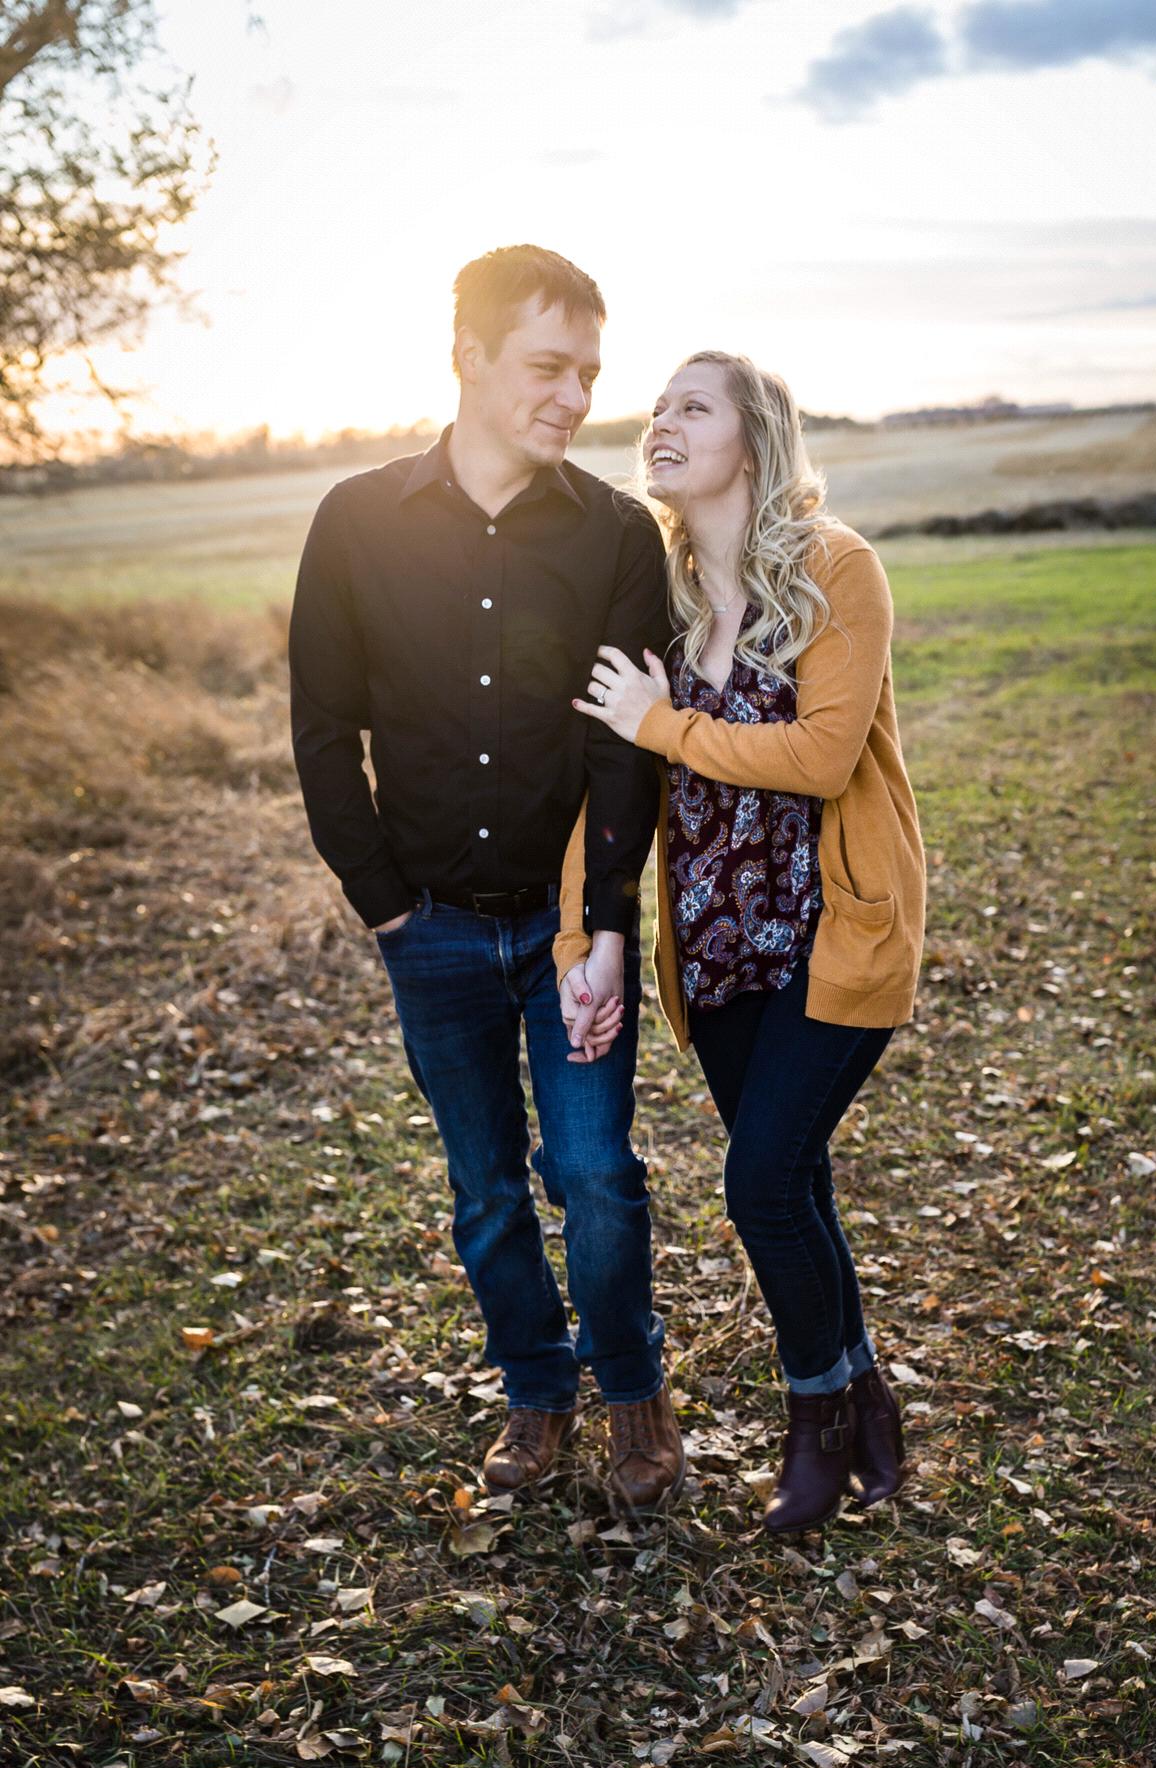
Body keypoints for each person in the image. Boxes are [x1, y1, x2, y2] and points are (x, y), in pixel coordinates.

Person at [288, 244, 685, 1517]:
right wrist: (382, 901)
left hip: (571, 931)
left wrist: (607, 926)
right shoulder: (355, 521)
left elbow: (623, 750)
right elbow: (321, 726)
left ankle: (633, 1388)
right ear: (467, 355)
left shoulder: (617, 535)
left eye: (589, 373)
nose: (574, 397)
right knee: (484, 1189)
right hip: (433, 931)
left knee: (597, 1174)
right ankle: (535, 1388)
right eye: (547, 367)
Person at [560, 351, 926, 1535]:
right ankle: (865, 1399)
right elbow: (604, 782)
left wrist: (663, 723)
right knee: (794, 1176)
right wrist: (584, 934)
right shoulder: (658, 601)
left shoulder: (833, 568)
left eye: (692, 406)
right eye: (655, 407)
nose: (659, 421)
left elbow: (820, 755)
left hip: (833, 935)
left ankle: (815, 1419)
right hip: (715, 949)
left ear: (754, 437)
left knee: (760, 1182)